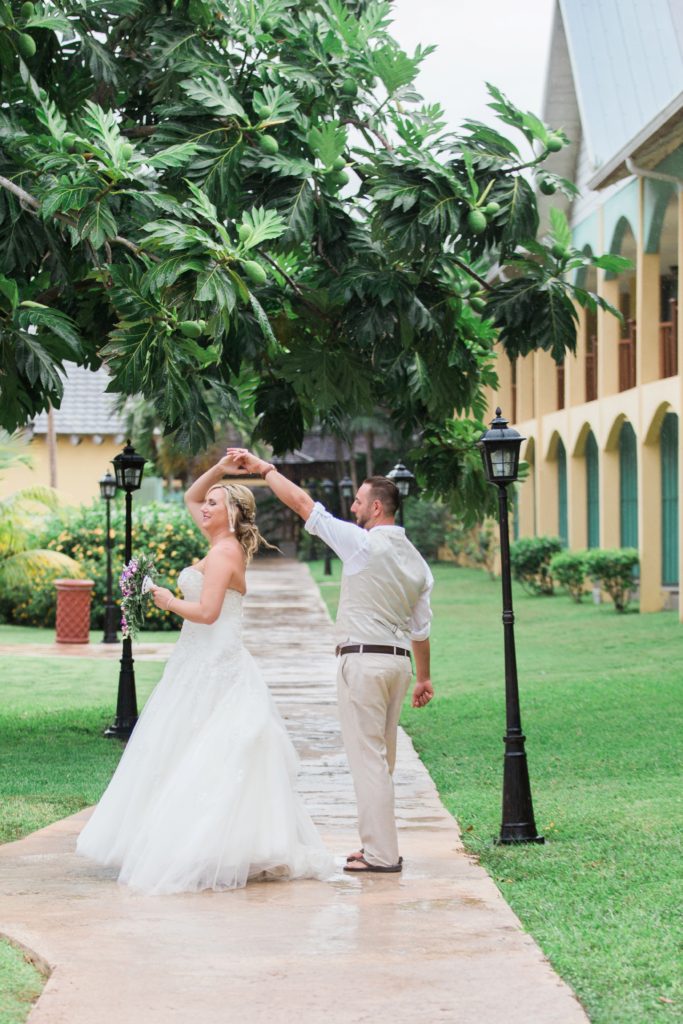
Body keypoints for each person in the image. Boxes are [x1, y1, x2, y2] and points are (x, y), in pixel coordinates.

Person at [76, 453, 334, 894]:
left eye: (216, 504)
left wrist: (164, 600)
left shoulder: (224, 553)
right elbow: (193, 495)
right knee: (177, 747)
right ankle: (173, 837)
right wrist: (220, 469)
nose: (206, 507)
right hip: (196, 662)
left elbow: (208, 613)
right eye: (209, 504)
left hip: (217, 665)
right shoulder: (217, 543)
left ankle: (208, 845)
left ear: (232, 513)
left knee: (212, 752)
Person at [228, 448, 434, 874]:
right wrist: (424, 678)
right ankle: (377, 844)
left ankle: (381, 855)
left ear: (377, 507)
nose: (353, 507)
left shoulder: (362, 543)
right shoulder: (418, 562)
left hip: (363, 663)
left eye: (358, 501)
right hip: (398, 666)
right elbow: (421, 629)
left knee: (368, 760)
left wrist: (265, 469)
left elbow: (305, 506)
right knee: (382, 761)